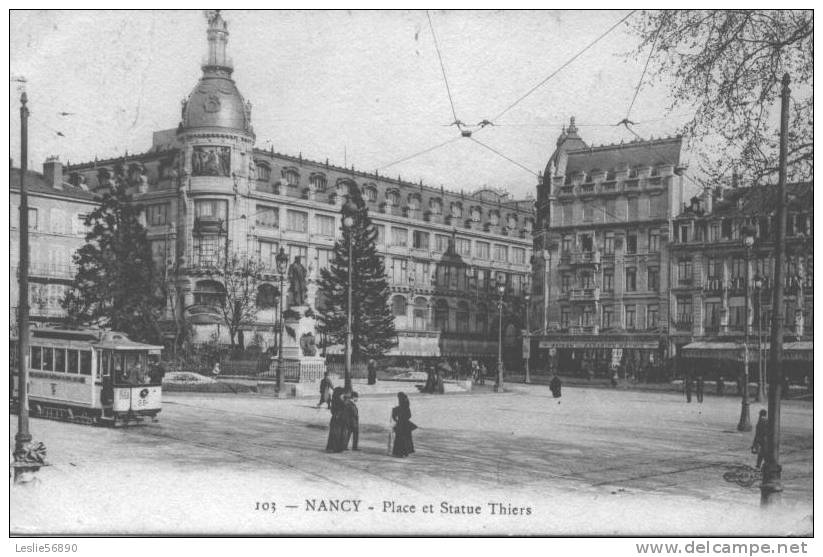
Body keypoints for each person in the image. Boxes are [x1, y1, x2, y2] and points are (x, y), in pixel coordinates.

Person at [391, 392, 416, 457]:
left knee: (400, 439)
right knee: (406, 439)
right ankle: (405, 452)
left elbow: (397, 415)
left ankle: (399, 453)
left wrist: (396, 416)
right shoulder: (406, 405)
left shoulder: (402, 405)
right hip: (405, 425)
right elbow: (409, 415)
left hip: (401, 424)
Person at [326, 387, 350, 453]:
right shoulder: (336, 401)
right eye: (342, 394)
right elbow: (333, 411)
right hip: (337, 420)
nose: (343, 395)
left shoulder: (340, 400)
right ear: (338, 394)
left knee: (340, 434)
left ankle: (339, 447)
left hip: (341, 420)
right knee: (336, 434)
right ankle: (335, 448)